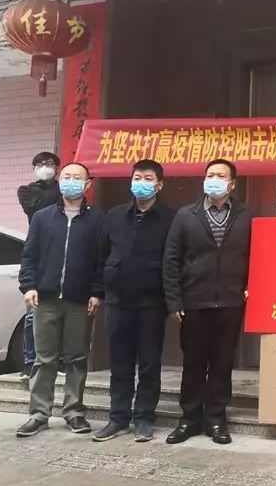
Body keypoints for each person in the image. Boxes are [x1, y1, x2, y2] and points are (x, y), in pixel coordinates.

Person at [163, 159, 252, 446]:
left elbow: (257, 257)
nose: (214, 179)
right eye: (210, 174)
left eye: (220, 175)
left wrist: (251, 288)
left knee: (222, 364)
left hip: (230, 302)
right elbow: (171, 259)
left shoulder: (246, 216)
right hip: (194, 302)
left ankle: (216, 419)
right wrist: (174, 300)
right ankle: (189, 419)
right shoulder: (186, 215)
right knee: (193, 363)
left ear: (231, 184)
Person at [16, 162, 105, 438]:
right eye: (66, 177)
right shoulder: (42, 217)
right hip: (45, 298)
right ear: (59, 181)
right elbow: (29, 255)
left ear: (87, 184)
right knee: (44, 358)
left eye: (77, 178)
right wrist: (28, 286)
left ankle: (74, 411)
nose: (71, 181)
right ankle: (38, 413)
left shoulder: (98, 220)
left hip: (80, 299)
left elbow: (102, 260)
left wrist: (97, 291)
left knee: (77, 357)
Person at [93, 160, 174, 443]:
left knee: (149, 364)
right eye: (137, 177)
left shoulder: (170, 218)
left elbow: (174, 261)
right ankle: (117, 418)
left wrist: (172, 301)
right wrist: (99, 291)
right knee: (120, 363)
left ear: (159, 185)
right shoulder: (114, 216)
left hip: (152, 303)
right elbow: (101, 256)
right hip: (118, 301)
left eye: (148, 178)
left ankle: (144, 418)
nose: (141, 183)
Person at [16, 151, 62, 380]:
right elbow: (37, 209)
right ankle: (29, 362)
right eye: (40, 164)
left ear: (57, 167)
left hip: (62, 250)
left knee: (62, 312)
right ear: (34, 168)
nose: (45, 167)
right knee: (32, 315)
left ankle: (58, 360)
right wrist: (57, 194)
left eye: (50, 163)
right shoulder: (26, 190)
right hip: (38, 251)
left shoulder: (65, 188)